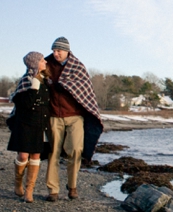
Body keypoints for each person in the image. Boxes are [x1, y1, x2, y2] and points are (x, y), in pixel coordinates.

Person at [44, 37, 103, 202]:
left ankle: (72, 186)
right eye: (54, 50)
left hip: (75, 116)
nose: (55, 54)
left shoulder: (77, 66)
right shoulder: (46, 64)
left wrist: (64, 85)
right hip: (54, 115)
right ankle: (53, 190)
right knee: (53, 152)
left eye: (59, 51)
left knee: (76, 150)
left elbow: (85, 91)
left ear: (67, 51)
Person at [7, 52, 52, 203]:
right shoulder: (26, 80)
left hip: (40, 123)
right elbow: (23, 105)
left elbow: (46, 105)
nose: (45, 61)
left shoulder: (46, 82)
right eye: (41, 60)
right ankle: (17, 183)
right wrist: (33, 89)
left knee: (36, 156)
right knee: (23, 156)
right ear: (34, 63)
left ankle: (29, 191)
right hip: (25, 123)